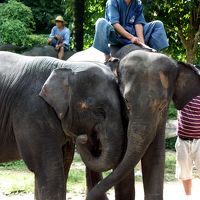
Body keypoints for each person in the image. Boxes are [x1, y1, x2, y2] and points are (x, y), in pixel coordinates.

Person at [93, 0, 169, 61]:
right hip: (116, 36)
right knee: (101, 22)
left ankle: (156, 55)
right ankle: (107, 56)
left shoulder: (137, 3)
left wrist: (142, 44)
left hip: (133, 33)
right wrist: (132, 38)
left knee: (158, 24)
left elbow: (138, 23)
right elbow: (115, 24)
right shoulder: (112, 1)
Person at [176, 95, 200, 200]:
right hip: (182, 140)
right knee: (184, 173)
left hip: (199, 140)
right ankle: (188, 197)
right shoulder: (182, 93)